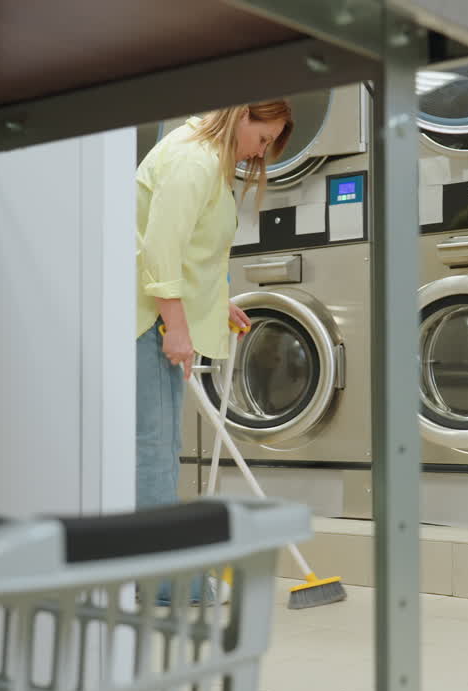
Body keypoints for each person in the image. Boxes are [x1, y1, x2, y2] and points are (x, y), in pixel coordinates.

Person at [133, 101, 293, 602]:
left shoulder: (199, 157)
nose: (260, 152)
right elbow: (159, 250)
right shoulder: (194, 160)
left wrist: (216, 301)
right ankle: (162, 582)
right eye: (263, 138)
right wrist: (176, 328)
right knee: (155, 452)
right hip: (148, 322)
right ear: (243, 116)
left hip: (152, 316)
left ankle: (147, 571)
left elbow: (190, 247)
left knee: (147, 449)